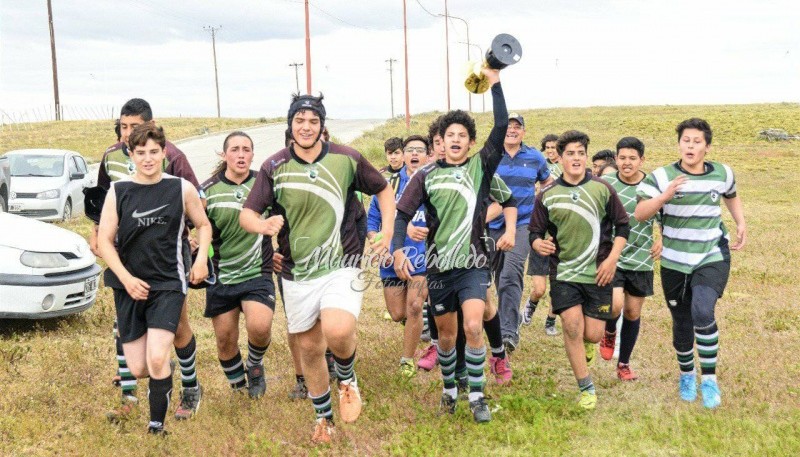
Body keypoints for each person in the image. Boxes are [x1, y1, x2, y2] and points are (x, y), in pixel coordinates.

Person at [241, 93, 395, 444]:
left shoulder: (347, 159)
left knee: (339, 331)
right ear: (291, 125)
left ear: (322, 125)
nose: (306, 127)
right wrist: (263, 226)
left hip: (342, 262)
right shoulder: (274, 166)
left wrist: (386, 232)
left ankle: (348, 379)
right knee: (310, 348)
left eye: (313, 121)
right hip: (297, 272)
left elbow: (384, 190)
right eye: (300, 120)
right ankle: (323, 418)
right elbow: (248, 213)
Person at [393, 67, 507, 423]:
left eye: (462, 135)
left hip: (473, 264)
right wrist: (397, 247)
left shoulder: (480, 167)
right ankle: (449, 390)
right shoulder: (425, 175)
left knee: (473, 326)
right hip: (439, 268)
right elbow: (401, 215)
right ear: (439, 141)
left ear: (471, 143)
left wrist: (496, 82)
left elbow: (501, 127)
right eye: (450, 134)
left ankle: (477, 396)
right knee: (446, 335)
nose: (456, 139)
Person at [97, 123, 211, 434]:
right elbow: (105, 241)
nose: (148, 158)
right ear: (131, 155)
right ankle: (164, 373)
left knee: (158, 355)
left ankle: (156, 426)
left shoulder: (180, 188)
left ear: (164, 153)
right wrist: (126, 278)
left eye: (154, 152)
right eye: (141, 152)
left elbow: (203, 225)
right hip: (128, 285)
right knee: (140, 367)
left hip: (168, 283)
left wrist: (200, 259)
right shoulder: (118, 191)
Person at [634, 118, 746, 409]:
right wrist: (665, 196)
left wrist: (740, 222)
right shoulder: (661, 177)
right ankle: (686, 374)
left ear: (706, 147)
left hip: (711, 255)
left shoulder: (722, 173)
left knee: (702, 310)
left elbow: (731, 195)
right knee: (682, 322)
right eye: (686, 140)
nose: (691, 146)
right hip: (674, 261)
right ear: (679, 144)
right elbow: (640, 214)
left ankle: (708, 380)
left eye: (697, 141)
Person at [529, 130, 630, 410]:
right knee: (572, 327)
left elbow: (623, 226)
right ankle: (586, 388)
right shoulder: (547, 195)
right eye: (570, 154)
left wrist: (611, 260)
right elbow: (535, 232)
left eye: (580, 153)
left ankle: (589, 347)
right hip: (565, 273)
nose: (576, 158)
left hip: (599, 271)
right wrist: (538, 244)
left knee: (593, 334)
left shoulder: (602, 189)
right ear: (559, 158)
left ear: (587, 157)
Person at [201, 131, 279, 398]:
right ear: (224, 155)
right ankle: (239, 389)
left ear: (253, 154)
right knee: (224, 341)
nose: (241, 154)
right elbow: (193, 228)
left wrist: (283, 252)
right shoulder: (207, 190)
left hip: (258, 271)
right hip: (222, 275)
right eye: (235, 149)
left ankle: (255, 364)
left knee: (259, 327)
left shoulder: (264, 184)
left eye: (246, 149)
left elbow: (287, 221)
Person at [487, 113, 553, 355]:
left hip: (524, 225)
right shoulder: (491, 156)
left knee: (510, 273)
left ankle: (508, 333)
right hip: (493, 225)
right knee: (497, 277)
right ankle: (505, 320)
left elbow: (548, 183)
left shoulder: (534, 157)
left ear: (523, 132)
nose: (512, 130)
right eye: (508, 126)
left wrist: (540, 203)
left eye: (517, 127)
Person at [597, 137, 662, 381]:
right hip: (612, 255)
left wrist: (661, 239)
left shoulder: (651, 185)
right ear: (616, 159)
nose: (626, 163)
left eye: (632, 158)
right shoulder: (606, 182)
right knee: (615, 305)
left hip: (641, 257)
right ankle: (610, 330)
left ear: (641, 160)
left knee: (633, 312)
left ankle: (623, 364)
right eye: (622, 158)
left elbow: (663, 214)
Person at [367, 135, 429, 378]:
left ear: (428, 155)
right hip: (392, 258)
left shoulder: (434, 182)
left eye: (420, 150)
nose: (414, 154)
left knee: (414, 306)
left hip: (423, 258)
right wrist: (378, 240)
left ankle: (407, 359)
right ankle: (415, 328)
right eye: (409, 150)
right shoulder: (388, 185)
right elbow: (372, 221)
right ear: (403, 155)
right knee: (397, 314)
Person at [523, 133, 560, 335]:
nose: (551, 150)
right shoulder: (538, 168)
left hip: (560, 238)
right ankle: (530, 306)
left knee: (557, 286)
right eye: (548, 147)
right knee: (539, 288)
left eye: (554, 147)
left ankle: (550, 321)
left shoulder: (567, 171)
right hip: (540, 235)